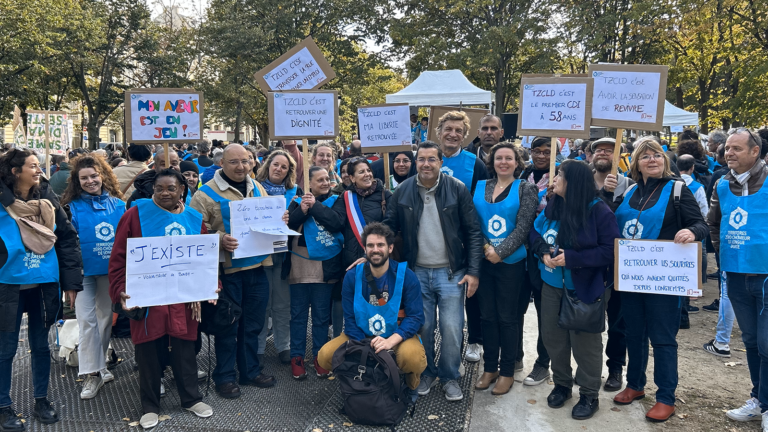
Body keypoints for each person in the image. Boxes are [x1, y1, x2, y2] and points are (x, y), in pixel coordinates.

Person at [608, 136, 708, 422]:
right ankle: (635, 385)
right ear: (636, 163)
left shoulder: (677, 189)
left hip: (664, 278)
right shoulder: (628, 192)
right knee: (634, 334)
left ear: (666, 161)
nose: (652, 159)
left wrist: (692, 233)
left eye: (657, 155)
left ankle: (666, 396)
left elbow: (700, 223)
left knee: (663, 338)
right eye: (645, 156)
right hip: (630, 278)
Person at [109, 169, 213, 429]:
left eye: (171, 188)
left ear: (182, 190)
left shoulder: (193, 217)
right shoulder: (135, 215)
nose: (165, 193)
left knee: (185, 349)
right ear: (152, 190)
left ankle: (190, 398)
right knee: (148, 352)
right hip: (148, 296)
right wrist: (120, 288)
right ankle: (149, 405)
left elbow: (205, 257)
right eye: (159, 188)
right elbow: (119, 256)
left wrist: (211, 286)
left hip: (183, 296)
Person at [383, 141, 483, 402]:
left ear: (441, 162)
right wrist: (371, 254)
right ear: (416, 163)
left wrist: (473, 271)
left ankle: (450, 375)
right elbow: (388, 228)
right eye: (421, 160)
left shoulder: (457, 189)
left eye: (431, 159)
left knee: (451, 327)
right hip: (416, 273)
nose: (426, 164)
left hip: (451, 272)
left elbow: (473, 231)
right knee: (424, 327)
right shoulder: (403, 191)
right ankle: (427, 372)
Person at [0, 149, 83, 430]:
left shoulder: (47, 198)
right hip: (6, 286)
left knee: (41, 345)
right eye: (33, 166)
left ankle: (41, 399)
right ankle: (3, 406)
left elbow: (67, 238)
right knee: (5, 349)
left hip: (42, 284)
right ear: (15, 171)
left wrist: (71, 281)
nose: (39, 170)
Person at [529, 160, 618, 420]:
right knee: (553, 338)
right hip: (552, 286)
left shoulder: (599, 211)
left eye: (559, 175)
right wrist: (542, 251)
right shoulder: (554, 205)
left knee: (585, 344)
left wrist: (573, 258)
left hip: (584, 290)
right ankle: (562, 385)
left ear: (574, 182)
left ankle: (589, 394)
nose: (554, 179)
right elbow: (535, 232)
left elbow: (610, 250)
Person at [191, 144, 276, 399]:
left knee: (252, 324)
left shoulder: (258, 187)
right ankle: (225, 377)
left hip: (257, 266)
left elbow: (266, 220)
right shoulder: (204, 194)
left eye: (246, 161)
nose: (241, 167)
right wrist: (219, 239)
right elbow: (194, 229)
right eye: (234, 162)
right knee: (228, 326)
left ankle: (250, 370)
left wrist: (278, 219)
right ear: (222, 164)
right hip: (227, 272)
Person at [316, 223, 426, 391]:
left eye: (380, 245)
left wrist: (390, 342)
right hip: (361, 336)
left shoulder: (406, 276)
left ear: (390, 248)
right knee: (325, 356)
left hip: (396, 335)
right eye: (370, 245)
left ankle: (407, 376)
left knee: (413, 358)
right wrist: (365, 349)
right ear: (365, 249)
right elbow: (350, 319)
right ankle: (357, 376)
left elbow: (416, 317)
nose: (375, 249)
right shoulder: (352, 277)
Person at [707, 128, 768, 429]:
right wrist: (724, 254)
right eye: (727, 148)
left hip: (765, 275)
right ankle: (759, 399)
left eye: (736, 148)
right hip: (735, 274)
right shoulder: (721, 185)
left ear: (755, 151)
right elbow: (714, 225)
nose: (728, 153)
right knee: (752, 341)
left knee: (767, 342)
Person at [472, 142, 538, 396]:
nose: (503, 162)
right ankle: (490, 368)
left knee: (508, 318)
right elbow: (472, 222)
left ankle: (507, 371)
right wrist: (487, 248)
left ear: (517, 162)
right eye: (498, 158)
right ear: (492, 162)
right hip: (484, 261)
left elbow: (524, 226)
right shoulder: (480, 187)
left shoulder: (526, 188)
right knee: (487, 316)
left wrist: (501, 252)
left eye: (509, 158)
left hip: (511, 264)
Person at [60, 155, 125, 400]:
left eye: (94, 176)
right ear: (77, 181)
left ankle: (101, 365)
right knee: (86, 321)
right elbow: (65, 244)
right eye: (84, 178)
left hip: (111, 272)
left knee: (105, 320)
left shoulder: (119, 205)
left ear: (103, 175)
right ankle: (92, 374)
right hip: (82, 274)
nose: (90, 181)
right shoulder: (70, 207)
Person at [434, 112, 488, 364]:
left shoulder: (474, 164)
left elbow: (480, 204)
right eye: (448, 129)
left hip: (463, 238)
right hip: (431, 237)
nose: (453, 134)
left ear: (465, 135)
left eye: (458, 130)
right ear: (439, 131)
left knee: (470, 291)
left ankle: (475, 340)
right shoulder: (426, 158)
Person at [285, 166, 344, 379]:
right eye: (320, 180)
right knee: (298, 316)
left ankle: (321, 356)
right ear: (308, 183)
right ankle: (297, 357)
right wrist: (302, 209)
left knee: (321, 317)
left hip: (325, 267)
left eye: (327, 179)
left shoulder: (337, 200)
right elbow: (289, 225)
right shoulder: (296, 200)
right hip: (299, 268)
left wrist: (315, 206)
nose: (326, 183)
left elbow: (337, 222)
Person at [332, 157, 393, 338]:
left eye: (368, 170)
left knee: (377, 307)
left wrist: (372, 253)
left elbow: (391, 227)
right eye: (361, 172)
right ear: (351, 177)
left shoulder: (385, 195)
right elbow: (334, 221)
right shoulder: (345, 197)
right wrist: (312, 206)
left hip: (378, 262)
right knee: (352, 309)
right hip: (352, 264)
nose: (367, 174)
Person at [592, 138, 634, 393]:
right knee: (588, 318)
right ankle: (590, 367)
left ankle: (616, 369)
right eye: (598, 150)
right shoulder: (582, 183)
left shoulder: (630, 186)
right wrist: (603, 193)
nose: (603, 153)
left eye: (609, 150)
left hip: (620, 263)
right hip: (590, 263)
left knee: (618, 322)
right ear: (591, 155)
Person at [517, 136, 556, 387]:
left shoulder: (560, 177)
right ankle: (515, 356)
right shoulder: (522, 174)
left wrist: (555, 198)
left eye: (547, 151)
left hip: (545, 251)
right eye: (537, 151)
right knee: (516, 307)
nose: (541, 156)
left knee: (545, 311)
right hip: (519, 250)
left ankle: (543, 363)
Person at [254, 150, 299, 364]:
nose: (279, 169)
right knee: (261, 304)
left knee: (282, 304)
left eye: (284, 167)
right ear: (268, 165)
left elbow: (299, 222)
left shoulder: (294, 192)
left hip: (282, 255)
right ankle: (259, 346)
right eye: (276, 165)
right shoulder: (253, 188)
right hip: (258, 255)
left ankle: (284, 346)